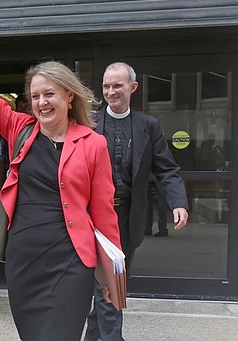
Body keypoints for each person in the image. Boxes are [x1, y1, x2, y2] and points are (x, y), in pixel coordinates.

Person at [0, 5, 122, 340]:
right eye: (35, 97)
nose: (41, 102)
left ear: (69, 97)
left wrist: (111, 278)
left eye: (49, 94)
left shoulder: (93, 143)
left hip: (72, 261)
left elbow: (104, 214)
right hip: (25, 260)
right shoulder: (21, 130)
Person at [85, 62, 189, 341]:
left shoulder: (149, 126)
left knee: (112, 281)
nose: (110, 91)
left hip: (129, 217)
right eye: (106, 86)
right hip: (94, 217)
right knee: (109, 283)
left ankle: (92, 336)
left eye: (117, 85)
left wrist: (178, 202)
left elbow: (166, 168)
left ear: (133, 87)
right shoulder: (89, 122)